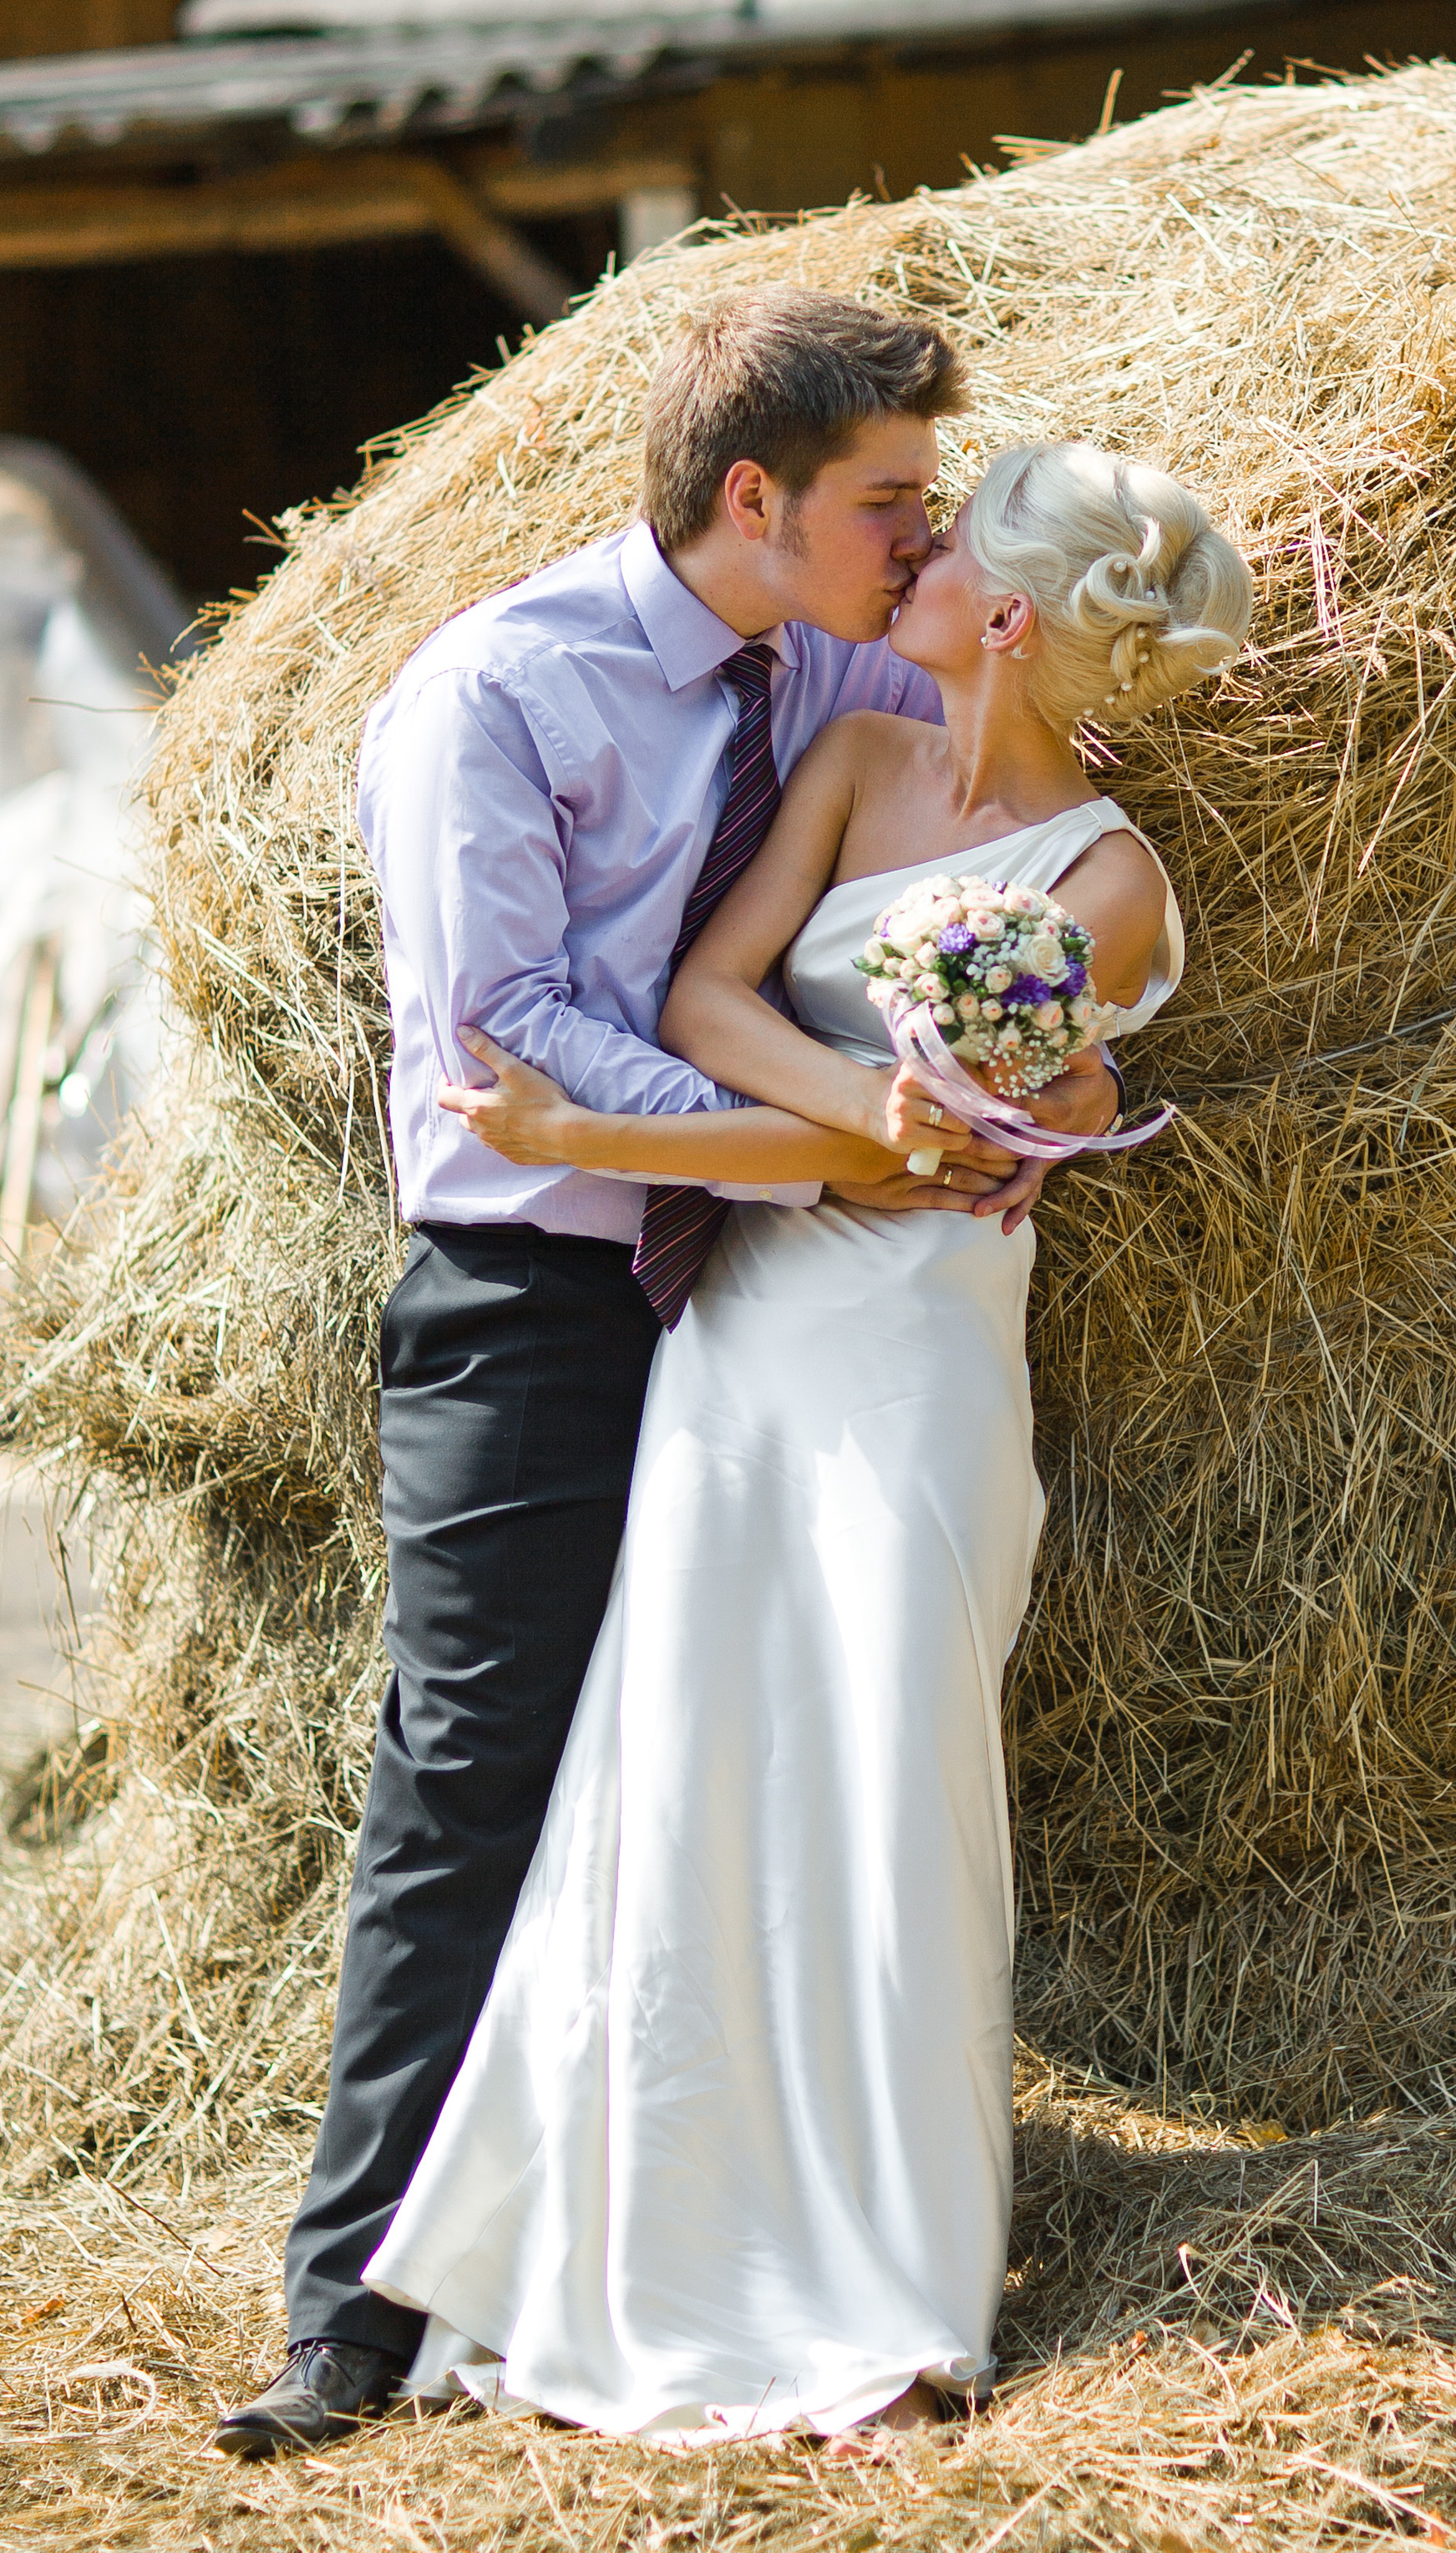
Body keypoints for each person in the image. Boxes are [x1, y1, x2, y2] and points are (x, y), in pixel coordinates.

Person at [213, 290, 1124, 2461]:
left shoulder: (830, 672)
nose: (919, 545)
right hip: (533, 1303)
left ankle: (699, 2226)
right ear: (755, 498)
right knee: (477, 1780)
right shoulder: (496, 695)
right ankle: (354, 2307)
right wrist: (854, 1144)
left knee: (707, 1783)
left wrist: (1032, 1068)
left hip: (768, 1320)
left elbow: (1020, 767)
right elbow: (517, 1043)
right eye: (889, 505)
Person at [345, 439, 1254, 2442]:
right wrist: (841, 1111)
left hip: (909, 1362)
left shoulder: (1097, 884)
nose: (909, 558)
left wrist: (606, 1136)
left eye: (946, 546)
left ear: (1003, 619)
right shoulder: (849, 769)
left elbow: (933, 1167)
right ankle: (644, 2233)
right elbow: (714, 999)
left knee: (879, 1779)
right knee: (689, 1766)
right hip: (743, 1334)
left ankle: (888, 2278)